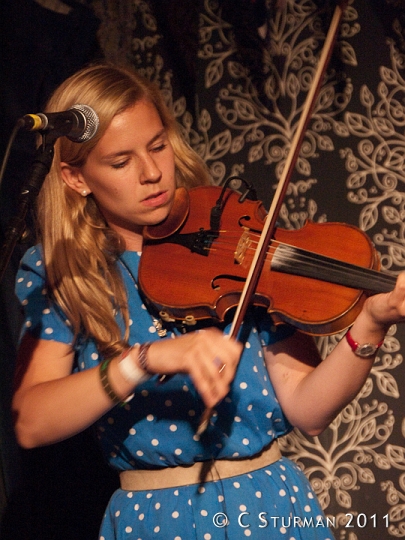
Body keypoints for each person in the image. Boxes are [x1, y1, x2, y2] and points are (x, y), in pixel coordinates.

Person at [11, 63, 405, 540]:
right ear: (76, 179)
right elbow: (31, 421)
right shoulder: (65, 271)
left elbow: (308, 409)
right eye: (121, 162)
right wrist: (144, 360)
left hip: (272, 506)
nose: (152, 172)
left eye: (158, 146)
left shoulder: (233, 240)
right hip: (157, 519)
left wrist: (370, 323)